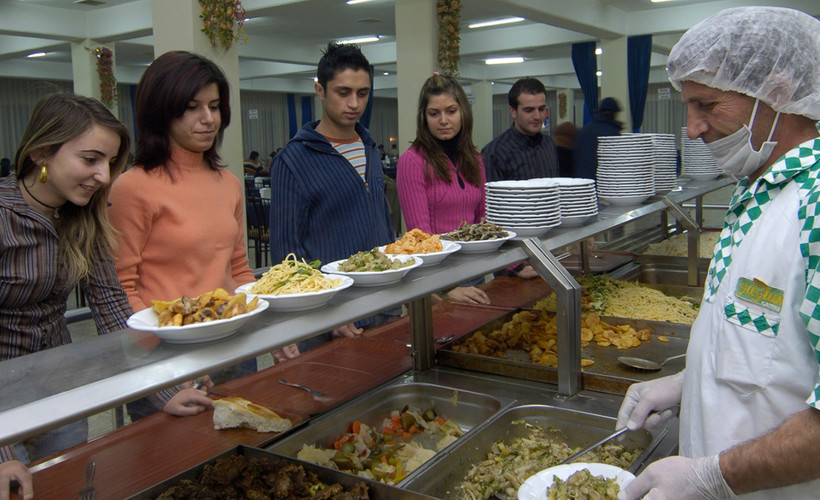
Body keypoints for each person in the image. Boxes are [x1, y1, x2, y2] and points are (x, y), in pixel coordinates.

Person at [616, 7, 820, 499]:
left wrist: (713, 476)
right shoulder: (759, 192)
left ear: (776, 92)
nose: (692, 128)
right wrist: (692, 382)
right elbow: (773, 353)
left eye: (707, 105)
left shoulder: (814, 210)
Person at [108, 51, 257, 420]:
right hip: (167, 359)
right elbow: (120, 288)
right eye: (192, 107)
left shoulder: (228, 182)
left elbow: (238, 268)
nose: (209, 119)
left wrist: (261, 326)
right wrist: (165, 369)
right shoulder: (133, 187)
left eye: (215, 106)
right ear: (162, 111)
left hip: (234, 347)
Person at [0, 92, 134, 499]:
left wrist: (166, 388)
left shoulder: (83, 215)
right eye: (90, 159)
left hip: (59, 391)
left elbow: (111, 307)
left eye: (110, 163)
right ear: (42, 152)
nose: (103, 175)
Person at [268, 42, 396, 348]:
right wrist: (329, 310)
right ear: (320, 90)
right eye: (343, 92)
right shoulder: (293, 159)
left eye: (363, 93)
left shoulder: (369, 146)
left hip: (384, 304)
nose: (354, 103)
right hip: (329, 320)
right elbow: (287, 256)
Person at [396, 73, 490, 305]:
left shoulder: (474, 158)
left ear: (463, 112)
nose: (444, 120)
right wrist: (448, 288)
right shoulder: (412, 161)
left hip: (475, 275)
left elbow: (484, 221)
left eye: (451, 111)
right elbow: (420, 237)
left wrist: (515, 265)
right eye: (434, 113)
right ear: (424, 118)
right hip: (438, 282)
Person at [481, 77, 559, 182]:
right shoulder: (494, 153)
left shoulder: (548, 144)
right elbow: (492, 197)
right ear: (513, 112)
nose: (537, 116)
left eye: (541, 109)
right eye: (529, 110)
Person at [571, 97, 622, 180]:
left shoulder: (583, 131)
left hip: (582, 184)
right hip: (605, 184)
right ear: (613, 114)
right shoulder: (613, 135)